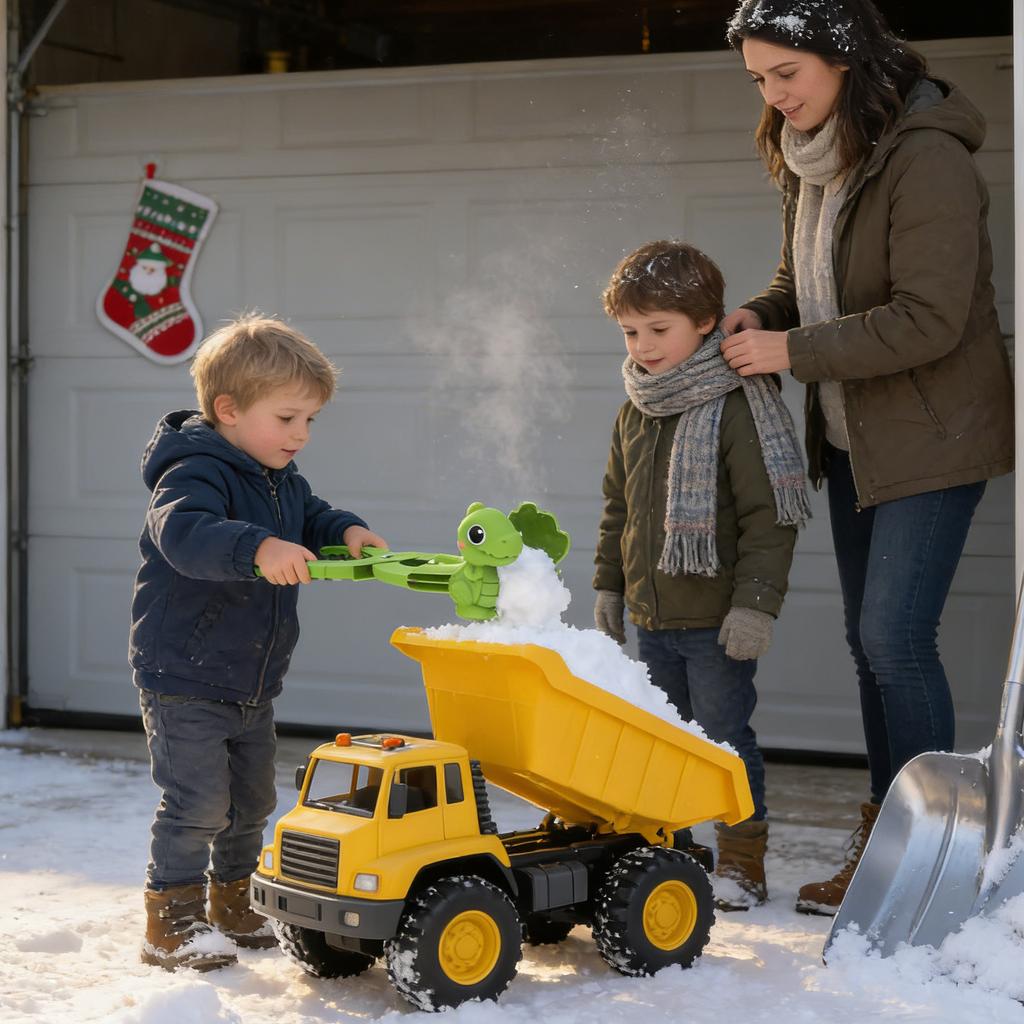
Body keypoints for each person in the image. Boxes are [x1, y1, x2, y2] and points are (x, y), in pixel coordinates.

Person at [722, 0, 1013, 915]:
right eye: (759, 79)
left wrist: (791, 354)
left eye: (787, 75)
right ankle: (889, 838)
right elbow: (801, 282)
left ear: (842, 60)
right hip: (853, 438)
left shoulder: (926, 157)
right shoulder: (811, 157)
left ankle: (938, 856)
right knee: (868, 644)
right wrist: (763, 318)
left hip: (932, 432)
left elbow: (930, 317)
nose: (774, 96)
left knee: (894, 637)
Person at [130, 314, 387, 971]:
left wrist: (346, 531)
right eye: (288, 418)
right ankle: (172, 922)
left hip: (251, 682)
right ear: (229, 410)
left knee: (252, 800)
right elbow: (183, 534)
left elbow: (313, 515)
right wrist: (257, 547)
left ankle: (232, 902)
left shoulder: (281, 482)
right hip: (185, 676)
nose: (301, 435)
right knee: (198, 804)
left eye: (310, 421)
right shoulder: (192, 472)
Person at [593, 239, 809, 910]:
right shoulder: (636, 408)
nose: (644, 346)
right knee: (664, 742)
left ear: (707, 322)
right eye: (632, 331)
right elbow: (619, 507)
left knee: (722, 740)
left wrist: (755, 608)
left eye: (660, 329)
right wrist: (609, 584)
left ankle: (743, 858)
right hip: (654, 619)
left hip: (716, 623)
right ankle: (675, 849)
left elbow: (768, 517)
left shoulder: (738, 406)